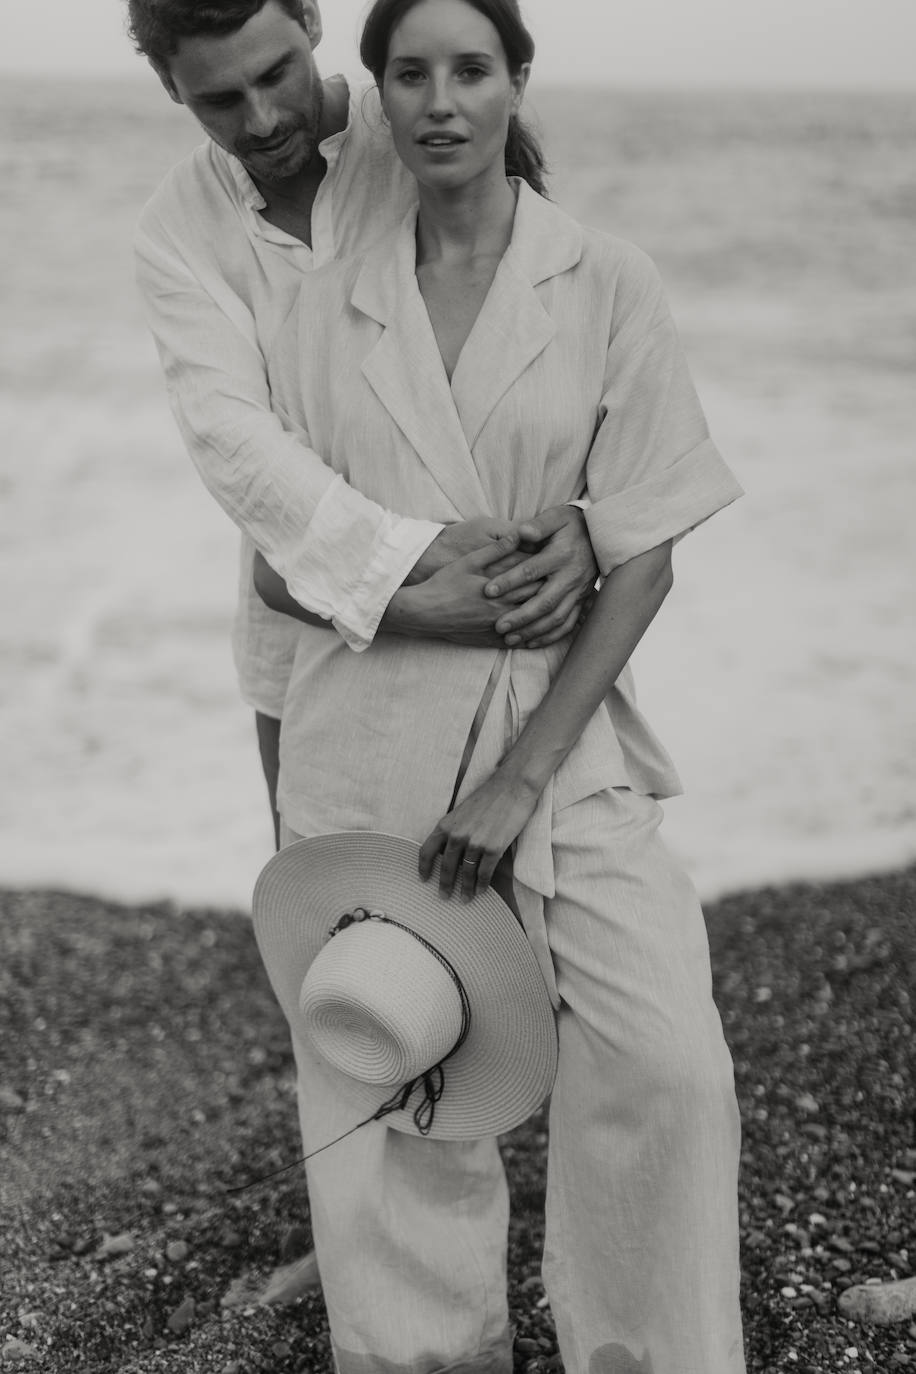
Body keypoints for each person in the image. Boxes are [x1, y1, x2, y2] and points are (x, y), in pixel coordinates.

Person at [256, 0, 748, 1368]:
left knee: (666, 1065)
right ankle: (421, 1352)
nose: (441, 100)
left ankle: (655, 1351)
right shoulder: (319, 307)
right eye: (408, 73)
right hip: (366, 737)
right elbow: (273, 572)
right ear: (380, 97)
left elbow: (645, 554)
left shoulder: (605, 282)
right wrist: (288, 815)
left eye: (471, 68)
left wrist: (526, 762)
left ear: (517, 80)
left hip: (562, 740)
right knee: (398, 1079)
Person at [128, 0, 600, 848]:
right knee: (329, 918)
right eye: (220, 102)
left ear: (310, 20)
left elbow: (547, 330)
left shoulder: (414, 123)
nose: (263, 120)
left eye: (275, 75)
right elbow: (232, 440)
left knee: (516, 918)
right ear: (169, 86)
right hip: (301, 628)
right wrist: (412, 575)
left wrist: (586, 523)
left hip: (499, 593)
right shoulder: (175, 231)